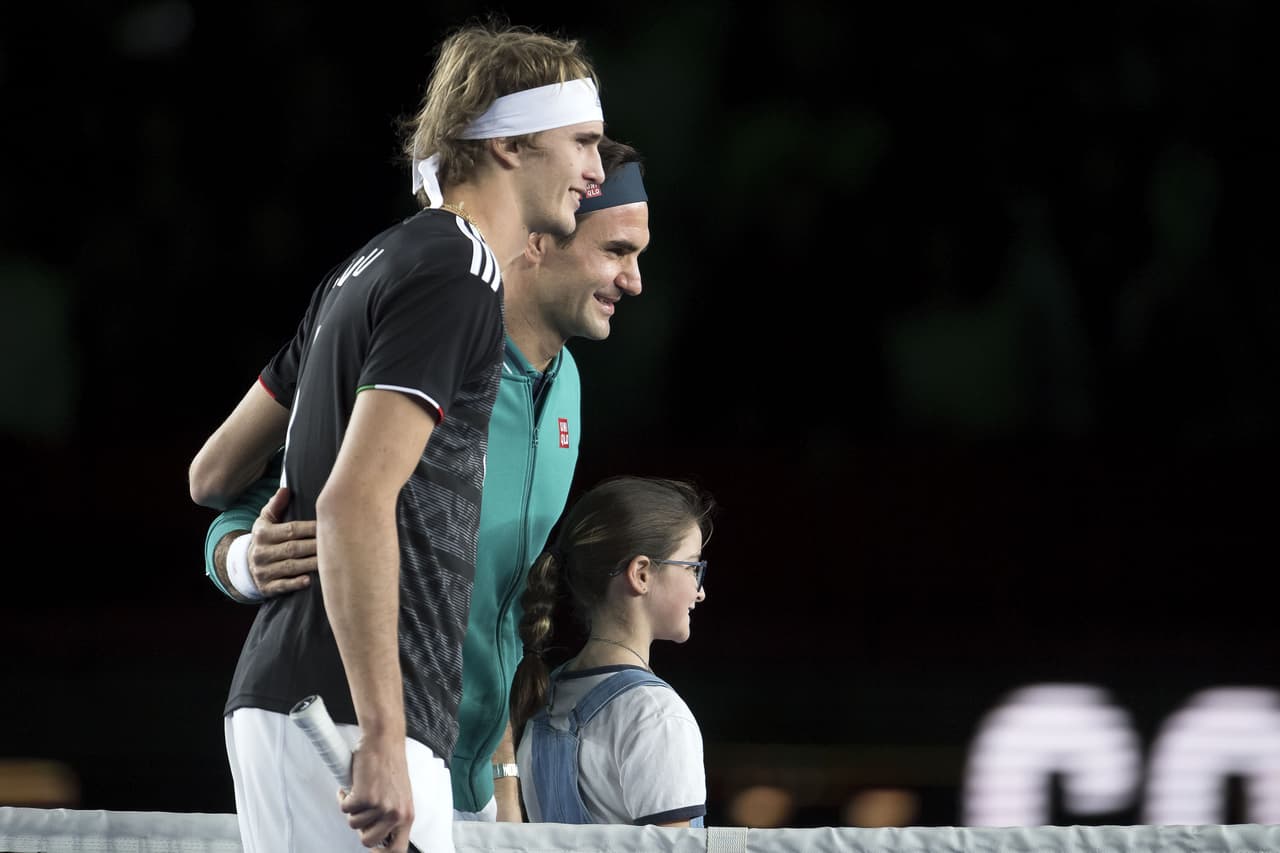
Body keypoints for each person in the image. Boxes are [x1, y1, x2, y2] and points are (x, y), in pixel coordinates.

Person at [186, 22, 607, 853]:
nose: (595, 172)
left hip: (317, 703)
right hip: (351, 717)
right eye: (583, 142)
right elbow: (353, 500)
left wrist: (242, 557)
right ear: (510, 144)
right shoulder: (459, 272)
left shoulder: (375, 263)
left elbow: (213, 472)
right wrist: (382, 733)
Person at [510, 475, 715, 828]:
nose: (700, 591)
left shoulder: (546, 695)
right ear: (641, 574)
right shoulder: (656, 714)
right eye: (692, 567)